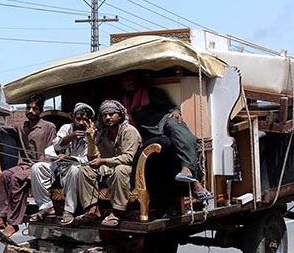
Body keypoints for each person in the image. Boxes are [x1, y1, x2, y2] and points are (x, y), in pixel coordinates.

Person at [0, 94, 56, 236]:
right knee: (5, 175)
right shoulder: (20, 126)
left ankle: (13, 223)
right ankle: (1, 217)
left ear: (40, 110)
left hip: (41, 167)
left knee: (16, 179)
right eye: (28, 108)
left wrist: (34, 172)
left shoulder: (49, 127)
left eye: (35, 108)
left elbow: (50, 152)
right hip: (23, 165)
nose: (31, 111)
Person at [120, 71, 211, 202]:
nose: (130, 82)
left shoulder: (152, 93)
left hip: (163, 122)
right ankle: (194, 185)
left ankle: (188, 170)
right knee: (169, 153)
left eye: (133, 79)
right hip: (150, 134)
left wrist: (175, 112)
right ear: (123, 84)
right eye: (127, 80)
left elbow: (171, 108)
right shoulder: (125, 101)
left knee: (178, 129)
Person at [76, 100, 142, 227]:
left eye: (111, 114)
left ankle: (118, 211)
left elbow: (128, 158)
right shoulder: (103, 133)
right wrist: (91, 139)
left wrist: (104, 161)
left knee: (120, 170)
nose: (108, 118)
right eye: (105, 115)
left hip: (130, 169)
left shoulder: (129, 131)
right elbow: (93, 158)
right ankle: (92, 209)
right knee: (84, 169)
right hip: (107, 168)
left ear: (120, 115)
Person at [29, 102, 95, 226]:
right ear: (73, 117)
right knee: (37, 168)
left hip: (79, 167)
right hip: (59, 165)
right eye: (78, 119)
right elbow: (56, 144)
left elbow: (89, 159)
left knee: (75, 170)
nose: (81, 123)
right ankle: (46, 206)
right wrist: (70, 137)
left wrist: (69, 158)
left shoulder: (93, 132)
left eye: (85, 120)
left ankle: (69, 210)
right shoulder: (67, 128)